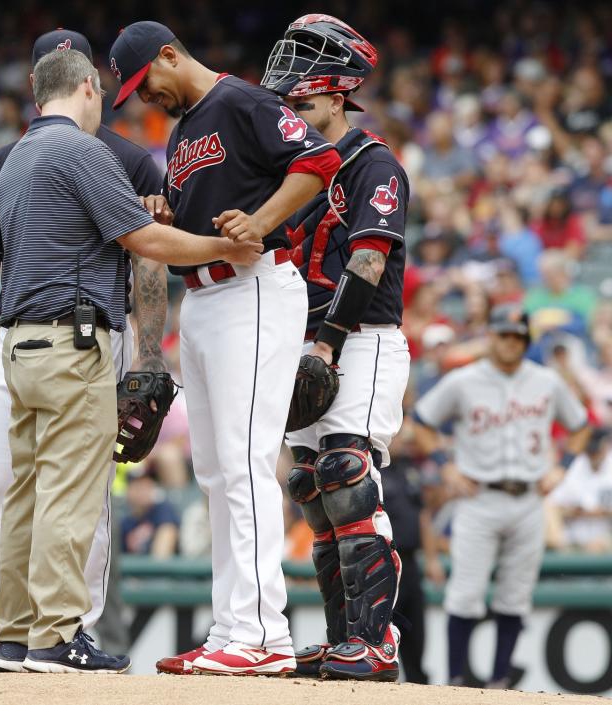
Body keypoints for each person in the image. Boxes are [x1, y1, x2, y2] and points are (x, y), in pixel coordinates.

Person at [0, 48, 261, 675]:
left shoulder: (9, 160)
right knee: (71, 495)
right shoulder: (83, 151)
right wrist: (224, 245)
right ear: (90, 88)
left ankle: (12, 634)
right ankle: (56, 636)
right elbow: (144, 241)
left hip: (19, 347)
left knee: (26, 494)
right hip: (74, 345)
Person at [0, 29, 170, 676]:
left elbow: (140, 266)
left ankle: (32, 631)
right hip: (60, 339)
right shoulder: (58, 151)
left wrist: (147, 355)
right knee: (39, 490)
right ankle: (35, 635)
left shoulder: (44, 154)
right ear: (83, 82)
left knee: (42, 492)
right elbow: (149, 246)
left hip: (53, 338)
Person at [109, 20, 340, 676]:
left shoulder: (241, 101)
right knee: (214, 472)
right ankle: (233, 628)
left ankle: (266, 634)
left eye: (143, 82)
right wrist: (164, 213)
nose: (143, 97)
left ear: (169, 55)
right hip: (204, 300)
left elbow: (319, 162)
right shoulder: (183, 131)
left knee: (242, 461)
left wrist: (264, 222)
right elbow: (203, 213)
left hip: (255, 287)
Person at [261, 15, 411, 681]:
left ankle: (376, 641)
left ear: (336, 95)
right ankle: (342, 636)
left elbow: (370, 265)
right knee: (312, 487)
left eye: (301, 103)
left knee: (348, 475)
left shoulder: (373, 161)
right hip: (309, 341)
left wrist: (324, 345)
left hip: (362, 336)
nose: (293, 111)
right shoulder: (296, 169)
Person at [413, 304, 590, 689]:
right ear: (491, 337)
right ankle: (456, 682)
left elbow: (580, 426)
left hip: (528, 499)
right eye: (503, 334)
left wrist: (563, 466)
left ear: (526, 340)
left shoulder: (546, 381)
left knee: (515, 596)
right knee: (465, 594)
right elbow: (424, 420)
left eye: (516, 336)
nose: (510, 342)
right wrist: (446, 466)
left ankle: (498, 684)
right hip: (480, 497)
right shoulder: (464, 380)